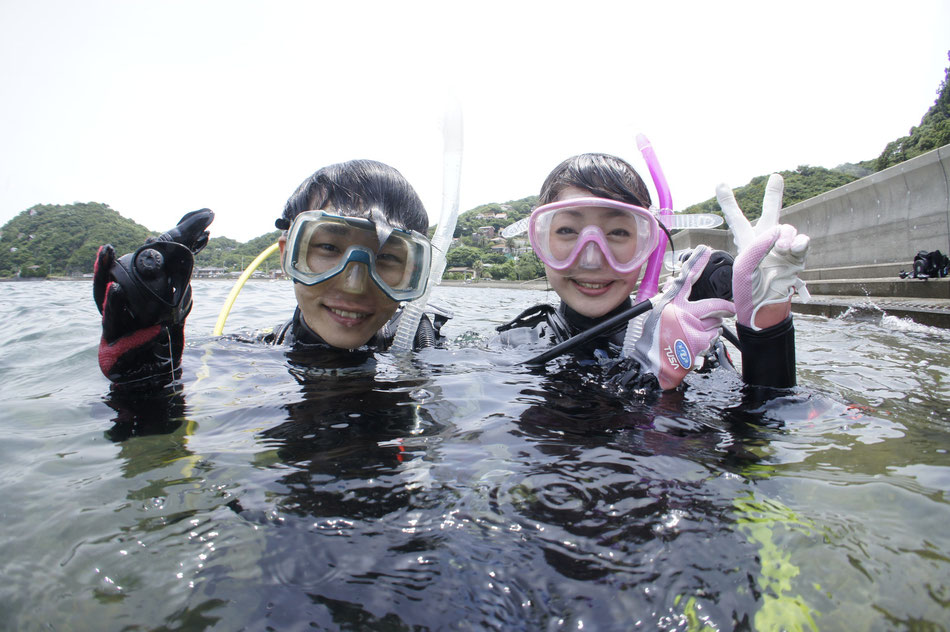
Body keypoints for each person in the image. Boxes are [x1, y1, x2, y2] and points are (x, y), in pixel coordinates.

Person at [94, 159, 449, 388]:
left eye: (387, 257)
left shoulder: (427, 348)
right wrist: (145, 385)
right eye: (327, 248)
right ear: (288, 254)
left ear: (415, 273)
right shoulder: (237, 357)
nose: (354, 285)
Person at [495, 152, 809, 391]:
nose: (591, 259)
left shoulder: (693, 341)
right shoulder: (513, 346)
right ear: (540, 241)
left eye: (617, 233)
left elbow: (759, 457)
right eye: (566, 231)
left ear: (650, 246)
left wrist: (767, 331)